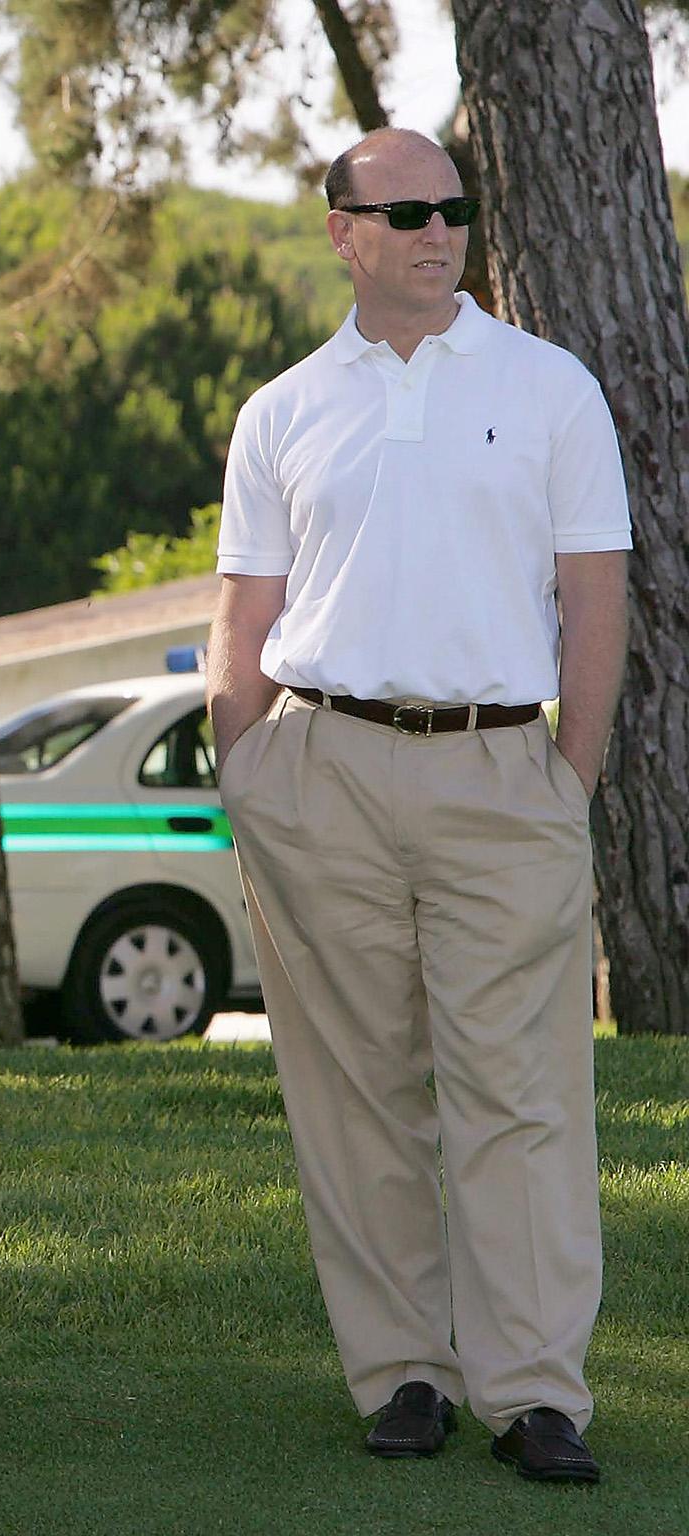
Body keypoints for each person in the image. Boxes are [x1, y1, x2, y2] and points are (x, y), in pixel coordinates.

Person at [207, 127, 629, 1485]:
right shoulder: (281, 410)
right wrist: (246, 764)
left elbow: (596, 601)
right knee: (357, 1093)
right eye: (401, 215)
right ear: (340, 231)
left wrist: (568, 782)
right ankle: (401, 1373)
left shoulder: (550, 386)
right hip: (321, 775)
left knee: (522, 1093)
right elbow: (245, 617)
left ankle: (535, 1392)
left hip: (505, 772)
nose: (435, 232)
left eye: (452, 209)